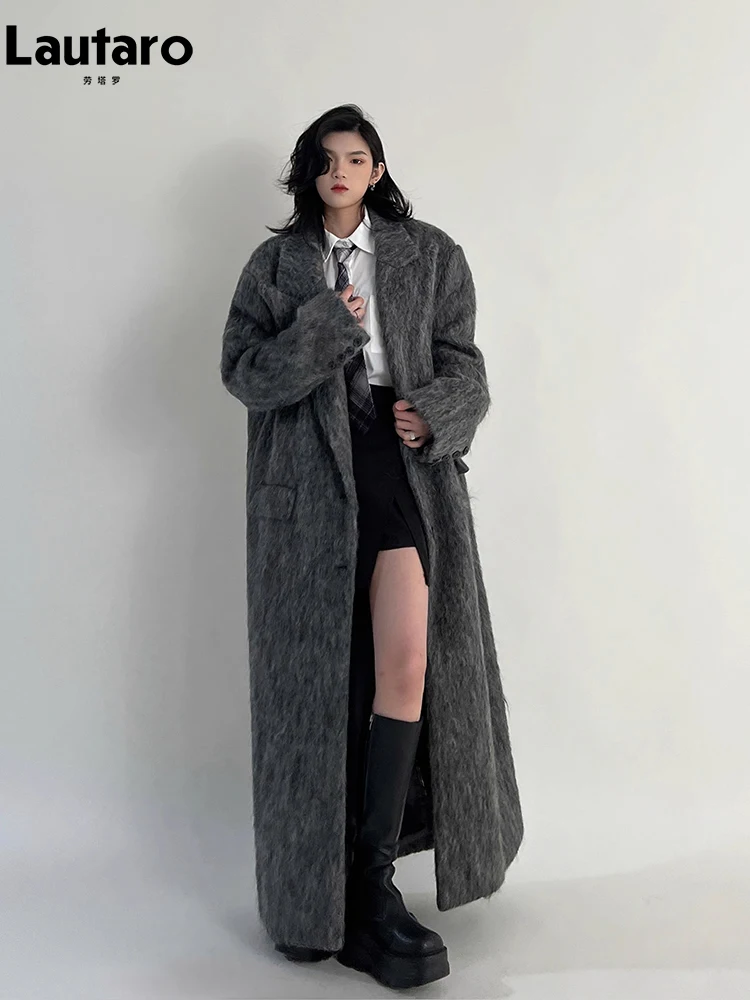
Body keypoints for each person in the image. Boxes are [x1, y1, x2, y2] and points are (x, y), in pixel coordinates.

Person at [220, 104, 524, 991]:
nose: (340, 172)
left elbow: (466, 366)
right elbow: (244, 375)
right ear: (309, 175)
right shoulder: (276, 267)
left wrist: (436, 412)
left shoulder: (432, 254)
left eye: (356, 157)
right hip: (309, 480)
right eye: (326, 160)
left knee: (407, 663)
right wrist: (324, 326)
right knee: (325, 686)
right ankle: (317, 899)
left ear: (377, 168)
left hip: (404, 469)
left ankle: (371, 883)